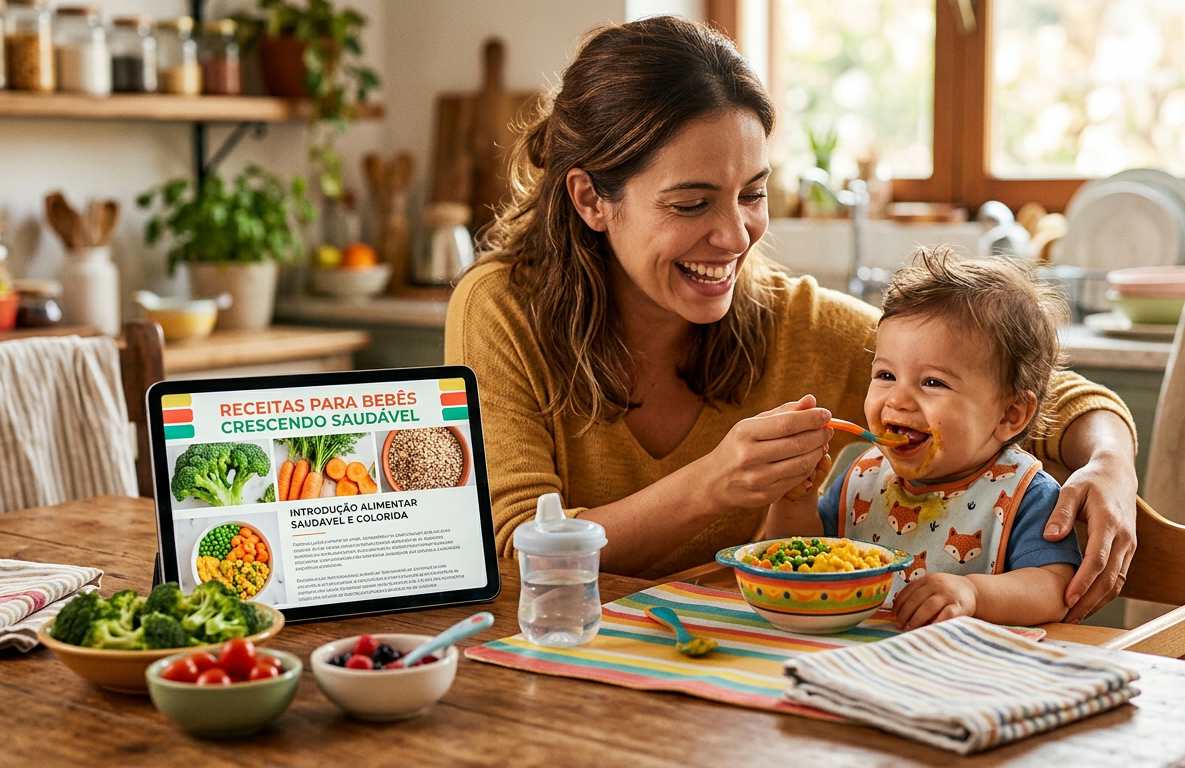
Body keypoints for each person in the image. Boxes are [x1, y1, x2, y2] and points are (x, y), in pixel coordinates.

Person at [445, 15, 1139, 622]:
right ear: (592, 199)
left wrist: (1111, 461)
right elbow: (514, 558)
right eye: (691, 204)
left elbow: (1016, 383)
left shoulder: (790, 319)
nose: (735, 236)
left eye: (752, 194)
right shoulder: (504, 308)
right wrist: (713, 483)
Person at [765, 247, 1079, 629]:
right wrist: (794, 501)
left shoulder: (1025, 493)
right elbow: (799, 560)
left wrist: (974, 595)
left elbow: (1053, 589)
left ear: (1009, 415)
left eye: (933, 382)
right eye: (885, 375)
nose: (896, 399)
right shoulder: (861, 478)